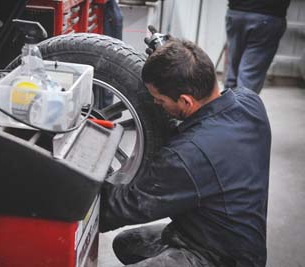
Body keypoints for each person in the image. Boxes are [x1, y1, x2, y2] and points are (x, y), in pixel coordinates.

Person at [100, 38, 271, 267]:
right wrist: (170, 55)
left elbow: (123, 207)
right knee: (127, 243)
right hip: (223, 236)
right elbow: (189, 63)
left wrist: (68, 196)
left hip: (219, 257)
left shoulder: (186, 156)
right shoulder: (251, 102)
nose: (154, 103)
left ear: (186, 101)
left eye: (159, 100)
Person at [225, 0, 291, 94]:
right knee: (249, 77)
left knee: (232, 72)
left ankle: (225, 106)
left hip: (236, 12)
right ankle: (241, 106)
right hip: (268, 13)